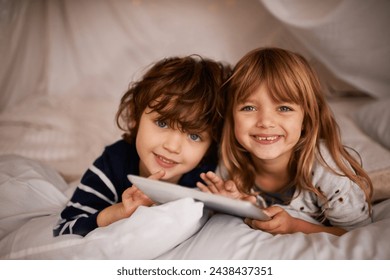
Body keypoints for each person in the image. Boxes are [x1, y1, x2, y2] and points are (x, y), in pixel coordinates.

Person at [197, 47, 373, 236]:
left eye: (283, 108)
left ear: (306, 119)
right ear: (232, 118)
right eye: (248, 107)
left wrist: (295, 226)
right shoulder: (231, 166)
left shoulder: (326, 167)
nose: (265, 122)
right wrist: (231, 204)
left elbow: (358, 234)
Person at [53, 55, 230, 237]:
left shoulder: (209, 176)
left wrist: (226, 204)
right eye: (162, 123)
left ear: (210, 146)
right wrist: (119, 212)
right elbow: (64, 228)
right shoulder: (113, 165)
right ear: (136, 116)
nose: (172, 146)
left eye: (194, 135)